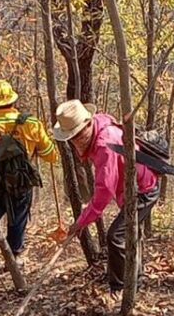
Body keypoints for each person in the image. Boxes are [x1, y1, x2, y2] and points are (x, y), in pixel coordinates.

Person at [51, 100, 160, 294]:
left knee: (116, 236)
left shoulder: (105, 144)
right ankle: (136, 278)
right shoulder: (99, 128)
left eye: (79, 134)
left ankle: (120, 289)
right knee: (131, 233)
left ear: (88, 123)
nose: (77, 141)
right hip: (130, 192)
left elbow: (105, 189)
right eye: (72, 137)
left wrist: (82, 221)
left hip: (142, 190)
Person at [0, 79, 58, 273]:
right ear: (13, 100)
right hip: (22, 183)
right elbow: (51, 155)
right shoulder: (31, 123)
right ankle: (14, 258)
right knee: (18, 219)